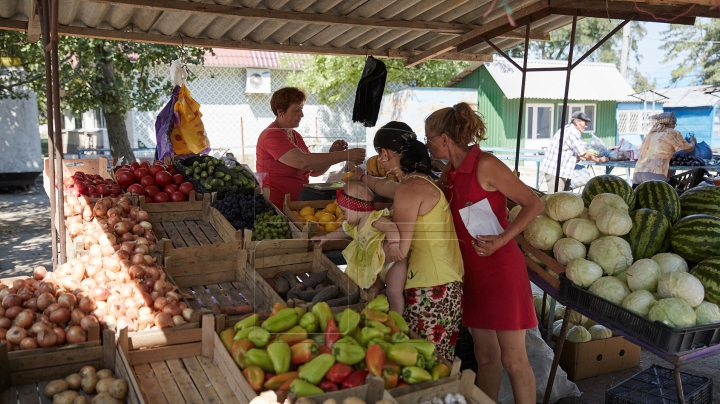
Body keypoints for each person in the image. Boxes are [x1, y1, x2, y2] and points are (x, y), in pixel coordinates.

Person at [424, 103, 545, 404]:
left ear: (444, 139)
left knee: (513, 359)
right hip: (472, 273)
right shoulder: (449, 172)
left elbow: (534, 204)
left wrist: (503, 239)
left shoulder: (486, 165)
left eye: (428, 138)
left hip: (501, 270)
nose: (426, 144)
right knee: (486, 355)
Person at [349, 121, 464, 362]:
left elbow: (399, 251)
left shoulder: (409, 189)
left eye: (379, 155)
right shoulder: (419, 183)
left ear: (385, 154)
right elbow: (387, 186)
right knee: (433, 364)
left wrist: (367, 238)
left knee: (423, 364)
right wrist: (363, 177)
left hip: (429, 290)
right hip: (445, 284)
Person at [256, 87, 366, 207]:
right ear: (280, 112)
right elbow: (303, 161)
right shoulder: (272, 135)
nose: (301, 114)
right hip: (276, 206)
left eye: (301, 109)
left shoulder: (295, 135)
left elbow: (313, 170)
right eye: (296, 110)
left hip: (296, 204)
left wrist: (332, 153)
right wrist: (345, 155)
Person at [311, 182, 407, 314]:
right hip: (374, 263)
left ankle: (397, 318)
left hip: (392, 263)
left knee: (394, 292)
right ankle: (370, 312)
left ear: (356, 208)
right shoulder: (354, 224)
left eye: (344, 211)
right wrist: (326, 237)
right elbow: (342, 231)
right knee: (370, 289)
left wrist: (394, 246)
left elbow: (391, 227)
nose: (343, 215)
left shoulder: (374, 219)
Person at [539, 111, 608, 193]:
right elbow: (584, 154)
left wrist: (577, 157)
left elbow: (567, 150)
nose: (586, 126)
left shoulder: (567, 128)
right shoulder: (573, 132)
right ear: (577, 122)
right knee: (553, 200)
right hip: (556, 171)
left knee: (559, 198)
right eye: (585, 123)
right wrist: (599, 160)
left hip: (554, 169)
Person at [633, 112, 695, 185]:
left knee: (639, 196)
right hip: (655, 172)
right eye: (675, 124)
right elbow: (689, 149)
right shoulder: (672, 133)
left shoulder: (651, 133)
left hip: (638, 171)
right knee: (659, 196)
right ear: (671, 123)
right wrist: (693, 141)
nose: (674, 126)